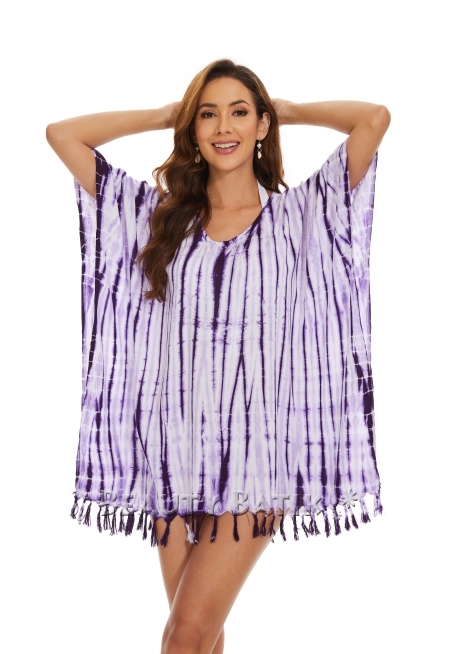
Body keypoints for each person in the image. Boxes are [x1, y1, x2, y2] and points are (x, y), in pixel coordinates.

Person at [46, 59, 390, 654]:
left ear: (261, 125)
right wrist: (167, 115)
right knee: (202, 638)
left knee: (184, 635)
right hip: (173, 450)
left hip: (257, 460)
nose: (223, 127)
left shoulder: (299, 215)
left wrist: (288, 111)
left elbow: (373, 120)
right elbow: (63, 135)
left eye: (239, 112)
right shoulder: (161, 218)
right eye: (208, 114)